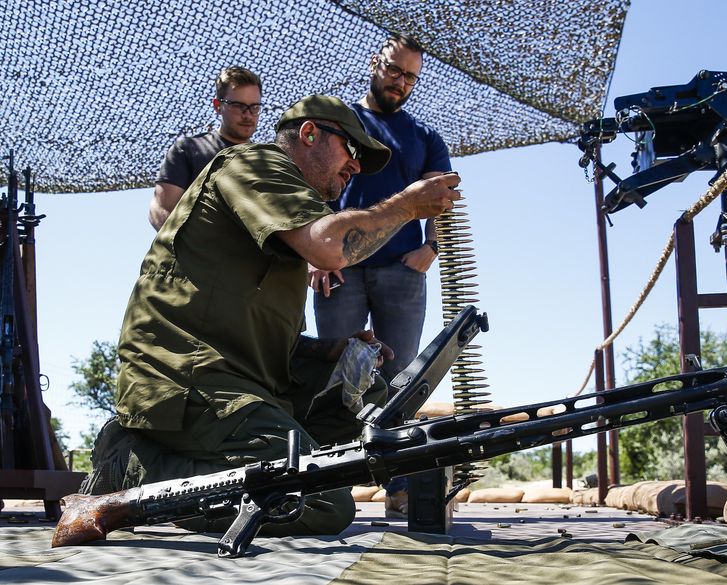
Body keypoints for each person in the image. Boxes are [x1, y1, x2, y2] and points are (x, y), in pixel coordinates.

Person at [83, 95, 462, 538]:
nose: (355, 168)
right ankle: (130, 467)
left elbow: (255, 330)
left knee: (363, 401)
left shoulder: (280, 230)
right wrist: (406, 208)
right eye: (351, 152)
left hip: (241, 378)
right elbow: (329, 246)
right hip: (188, 380)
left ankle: (216, 462)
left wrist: (332, 350)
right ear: (308, 134)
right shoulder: (252, 164)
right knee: (321, 499)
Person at [310, 33, 452, 519]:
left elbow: (443, 198)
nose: (400, 82)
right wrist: (315, 257)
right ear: (376, 63)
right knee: (336, 378)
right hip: (340, 272)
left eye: (410, 75)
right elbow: (311, 192)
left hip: (402, 272)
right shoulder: (338, 124)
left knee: (401, 380)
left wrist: (430, 247)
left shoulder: (426, 137)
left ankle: (401, 493)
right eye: (394, 70)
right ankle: (330, 490)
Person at [148, 66, 263, 230]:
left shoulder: (267, 159)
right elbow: (160, 209)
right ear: (217, 106)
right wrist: (191, 248)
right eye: (238, 105)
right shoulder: (189, 149)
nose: (247, 114)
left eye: (255, 107)